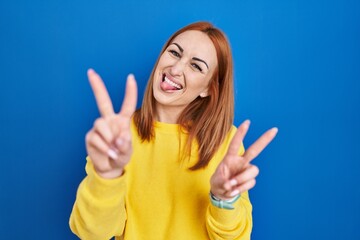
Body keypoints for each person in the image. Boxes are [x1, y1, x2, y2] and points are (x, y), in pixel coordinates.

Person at [69, 21, 278, 240]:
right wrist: (107, 176)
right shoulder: (119, 136)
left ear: (209, 88)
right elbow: (91, 233)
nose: (176, 69)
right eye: (174, 53)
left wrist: (223, 200)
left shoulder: (225, 141)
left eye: (196, 66)